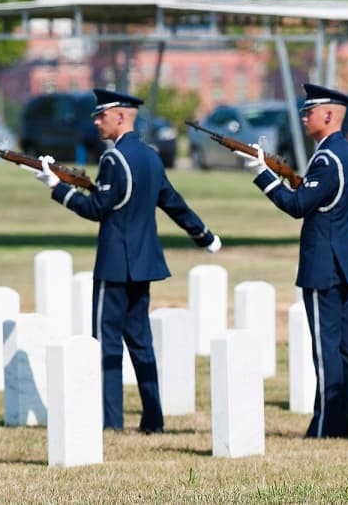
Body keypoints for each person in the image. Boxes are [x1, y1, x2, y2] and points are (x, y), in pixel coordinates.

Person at [31, 88, 222, 433]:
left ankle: (111, 422)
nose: (96, 120)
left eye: (102, 115)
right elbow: (172, 202)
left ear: (121, 117)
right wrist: (203, 235)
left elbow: (96, 209)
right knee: (141, 343)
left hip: (115, 265)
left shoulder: (112, 160)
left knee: (106, 345)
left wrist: (57, 187)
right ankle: (153, 419)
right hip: (143, 264)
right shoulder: (150, 157)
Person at [237, 83, 348, 439]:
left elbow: (297, 206)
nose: (303, 117)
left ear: (328, 115)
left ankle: (327, 426)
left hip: (322, 265)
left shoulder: (327, 159)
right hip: (345, 262)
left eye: (309, 111)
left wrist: (261, 173)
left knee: (326, 348)